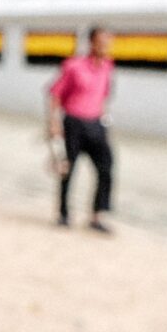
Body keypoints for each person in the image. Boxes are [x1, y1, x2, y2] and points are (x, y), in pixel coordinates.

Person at [48, 26, 114, 232]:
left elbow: (104, 95)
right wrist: (54, 123)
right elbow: (56, 94)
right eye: (100, 41)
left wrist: (104, 120)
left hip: (96, 124)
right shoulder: (73, 66)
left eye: (107, 41)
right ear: (91, 42)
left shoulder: (108, 67)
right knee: (68, 169)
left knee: (106, 167)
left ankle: (97, 216)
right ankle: (64, 214)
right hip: (73, 123)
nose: (104, 45)